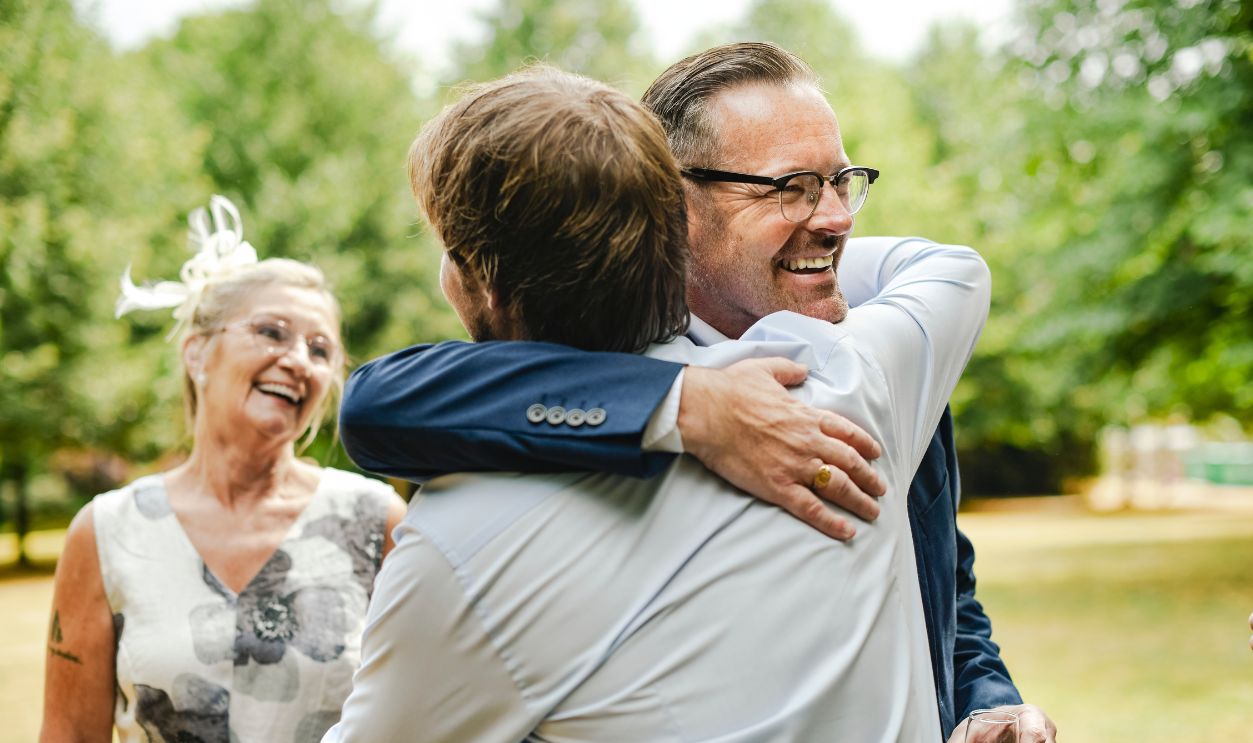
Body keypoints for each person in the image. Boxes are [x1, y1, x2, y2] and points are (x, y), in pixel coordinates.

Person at [335, 43, 1057, 741]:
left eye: (839, 181)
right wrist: (679, 403)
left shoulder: (461, 535)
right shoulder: (850, 373)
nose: (837, 217)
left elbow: (941, 590)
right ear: (674, 210)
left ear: (473, 280)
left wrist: (979, 698)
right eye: (789, 187)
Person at [40, 196, 407, 743]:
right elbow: (68, 735)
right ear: (197, 354)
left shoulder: (375, 521)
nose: (299, 361)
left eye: (320, 349)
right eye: (272, 332)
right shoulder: (106, 532)